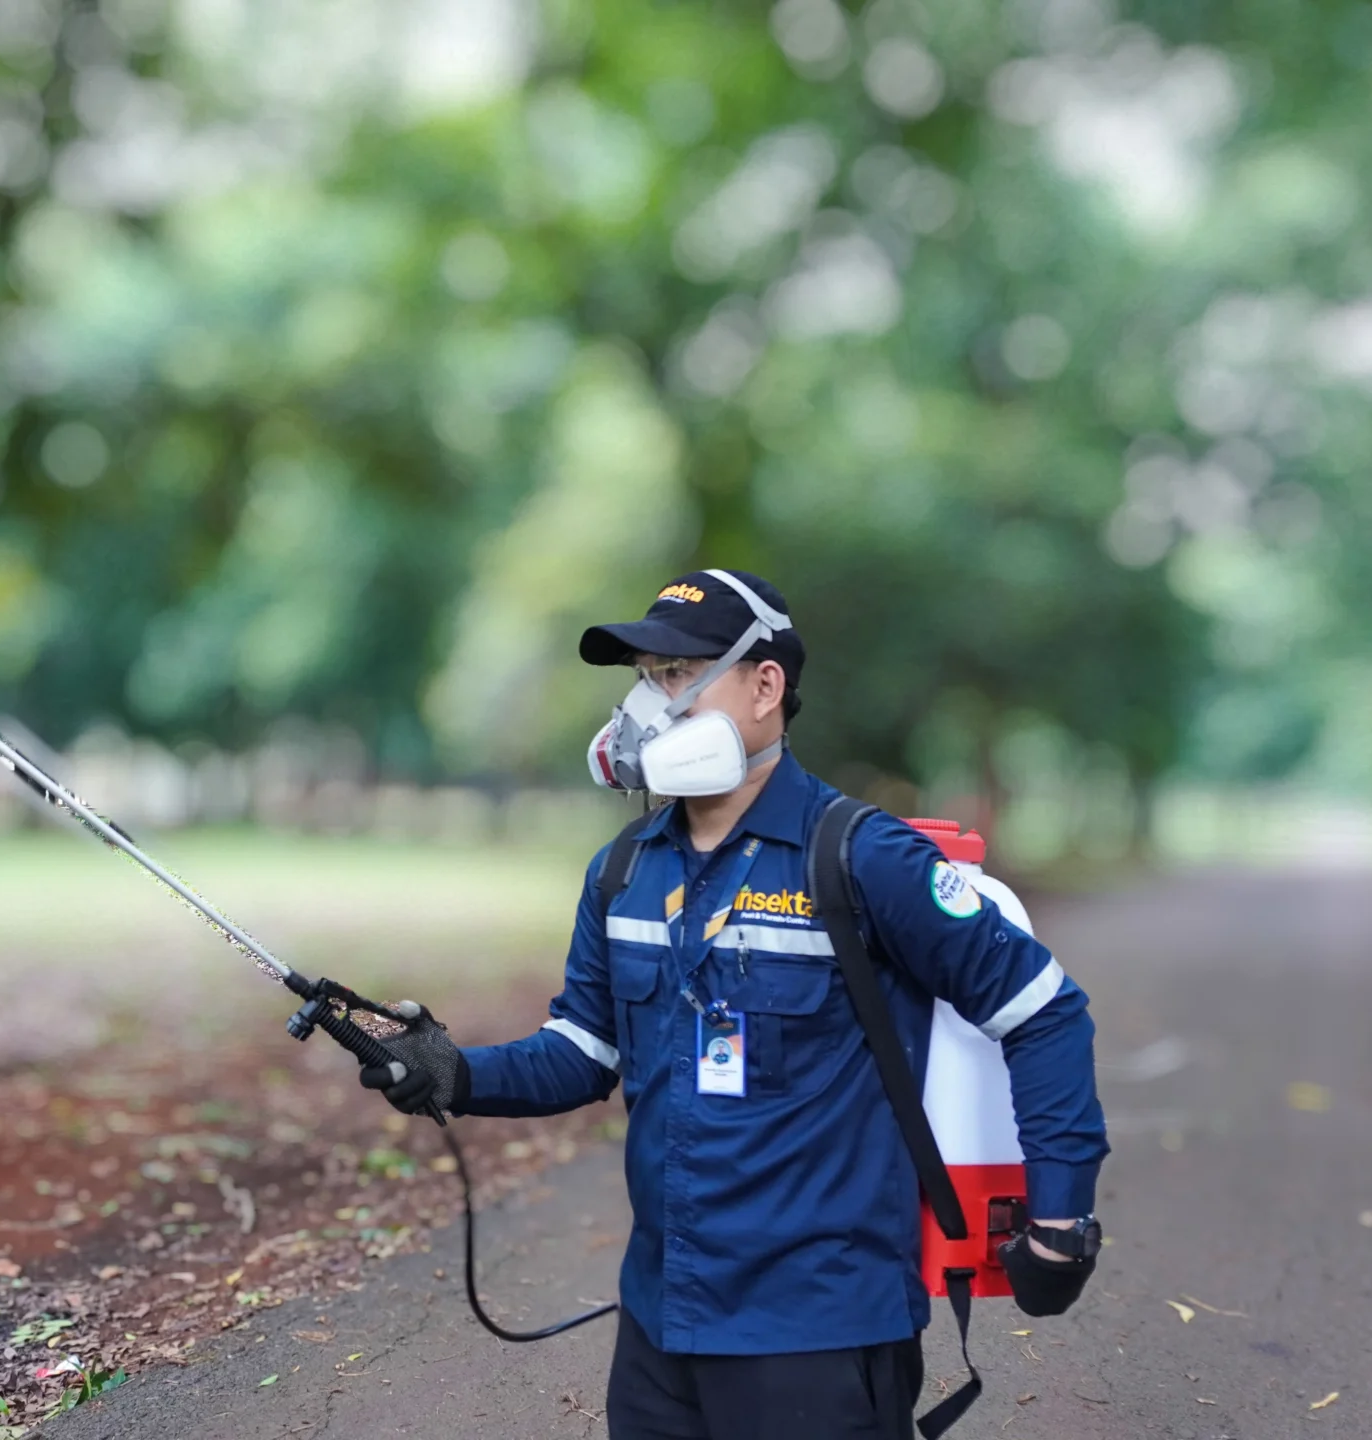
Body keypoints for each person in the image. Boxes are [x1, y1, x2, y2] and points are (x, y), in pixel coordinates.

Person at [360, 569, 1109, 1440]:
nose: (651, 704)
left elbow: (1044, 1010)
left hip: (820, 1332)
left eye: (679, 676)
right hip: (659, 1322)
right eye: (644, 676)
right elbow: (584, 1050)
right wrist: (455, 1074)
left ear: (766, 685)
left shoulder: (865, 859)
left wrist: (1061, 1221)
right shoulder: (624, 871)